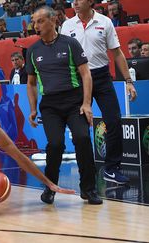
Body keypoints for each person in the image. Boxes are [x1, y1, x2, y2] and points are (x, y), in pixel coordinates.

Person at [27, 6, 102, 205]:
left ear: (53, 21)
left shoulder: (70, 44)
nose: (36, 26)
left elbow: (86, 74)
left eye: (40, 21)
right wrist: (33, 109)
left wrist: (86, 104)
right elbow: (31, 83)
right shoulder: (33, 50)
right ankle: (50, 187)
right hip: (50, 105)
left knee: (82, 138)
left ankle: (89, 189)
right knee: (56, 144)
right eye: (34, 22)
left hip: (74, 102)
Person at [61, 0, 137, 184]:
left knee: (114, 120)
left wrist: (128, 81)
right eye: (73, 1)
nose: (75, 3)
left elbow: (117, 53)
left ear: (90, 2)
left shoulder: (105, 22)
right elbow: (62, 56)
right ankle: (86, 170)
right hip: (78, 79)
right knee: (80, 128)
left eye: (79, 0)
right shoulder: (67, 25)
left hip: (102, 77)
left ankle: (111, 168)